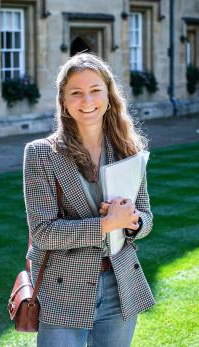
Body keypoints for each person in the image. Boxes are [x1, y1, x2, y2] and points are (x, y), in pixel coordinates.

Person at [22, 53, 154, 347]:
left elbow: (146, 216)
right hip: (62, 288)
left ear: (109, 96)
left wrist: (132, 222)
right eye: (76, 93)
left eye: (95, 90)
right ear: (64, 102)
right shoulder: (40, 153)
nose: (87, 101)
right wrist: (106, 224)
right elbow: (43, 233)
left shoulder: (128, 149)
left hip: (119, 284)